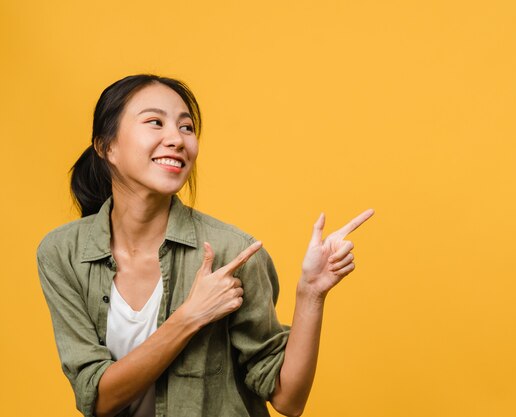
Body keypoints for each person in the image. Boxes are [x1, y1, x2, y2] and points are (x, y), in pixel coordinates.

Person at [36, 74, 374, 417]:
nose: (177, 140)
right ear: (106, 146)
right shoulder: (64, 253)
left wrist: (311, 293)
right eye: (155, 122)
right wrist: (189, 317)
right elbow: (97, 398)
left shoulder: (232, 252)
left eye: (186, 128)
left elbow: (289, 399)